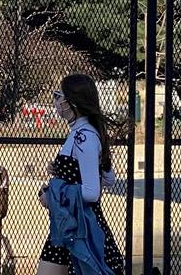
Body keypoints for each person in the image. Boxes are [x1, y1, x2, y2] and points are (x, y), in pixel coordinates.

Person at [37, 74, 125, 275]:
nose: (57, 101)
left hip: (81, 227)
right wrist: (60, 171)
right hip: (68, 225)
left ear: (72, 102)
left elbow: (93, 192)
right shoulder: (82, 132)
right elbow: (108, 178)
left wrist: (53, 196)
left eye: (59, 96)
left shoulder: (84, 136)